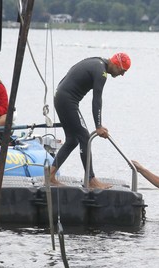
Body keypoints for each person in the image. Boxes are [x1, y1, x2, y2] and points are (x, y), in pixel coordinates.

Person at [50, 53, 131, 189]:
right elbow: (97, 99)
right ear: (116, 64)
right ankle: (91, 180)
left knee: (72, 140)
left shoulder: (97, 63)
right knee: (85, 138)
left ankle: (50, 174)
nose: (122, 75)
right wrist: (98, 126)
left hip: (61, 97)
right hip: (67, 100)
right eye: (122, 71)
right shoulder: (101, 72)